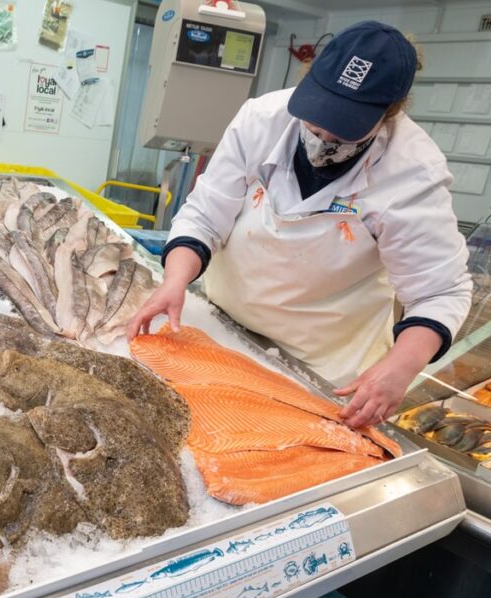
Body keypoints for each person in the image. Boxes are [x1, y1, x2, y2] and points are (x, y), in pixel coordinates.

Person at [127, 21, 472, 429]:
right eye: (314, 123)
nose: (323, 137)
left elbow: (441, 292)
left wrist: (400, 366)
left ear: (389, 113)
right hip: (222, 326)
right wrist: (174, 282)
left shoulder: (413, 172)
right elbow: (206, 213)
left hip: (324, 364)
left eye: (343, 129)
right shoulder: (261, 118)